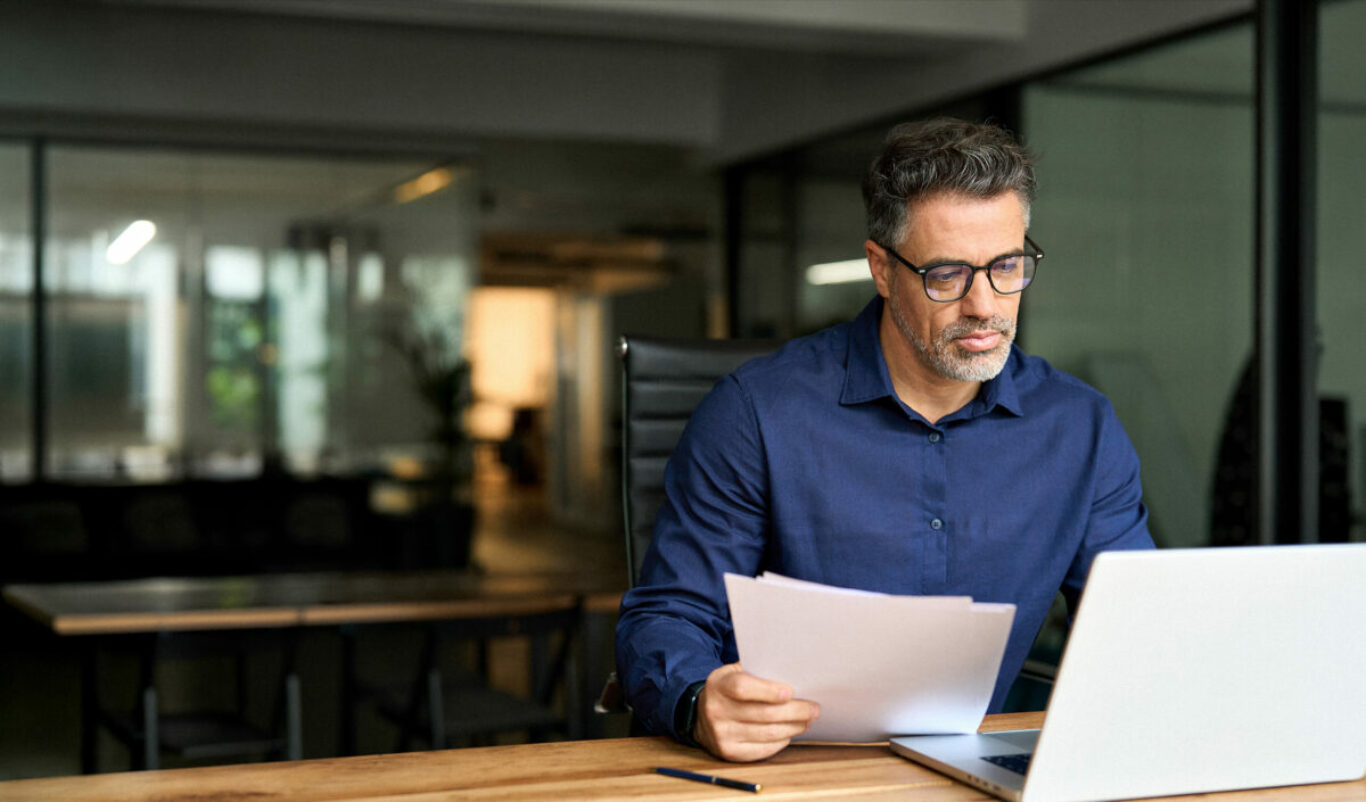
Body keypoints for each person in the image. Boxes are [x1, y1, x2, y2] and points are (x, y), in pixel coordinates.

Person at [615, 118, 1154, 762]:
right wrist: (698, 700)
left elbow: (1140, 627)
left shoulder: (1081, 428)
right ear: (880, 268)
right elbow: (667, 614)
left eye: (1007, 266)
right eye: (949, 274)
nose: (985, 305)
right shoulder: (755, 414)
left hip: (980, 771)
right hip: (789, 771)